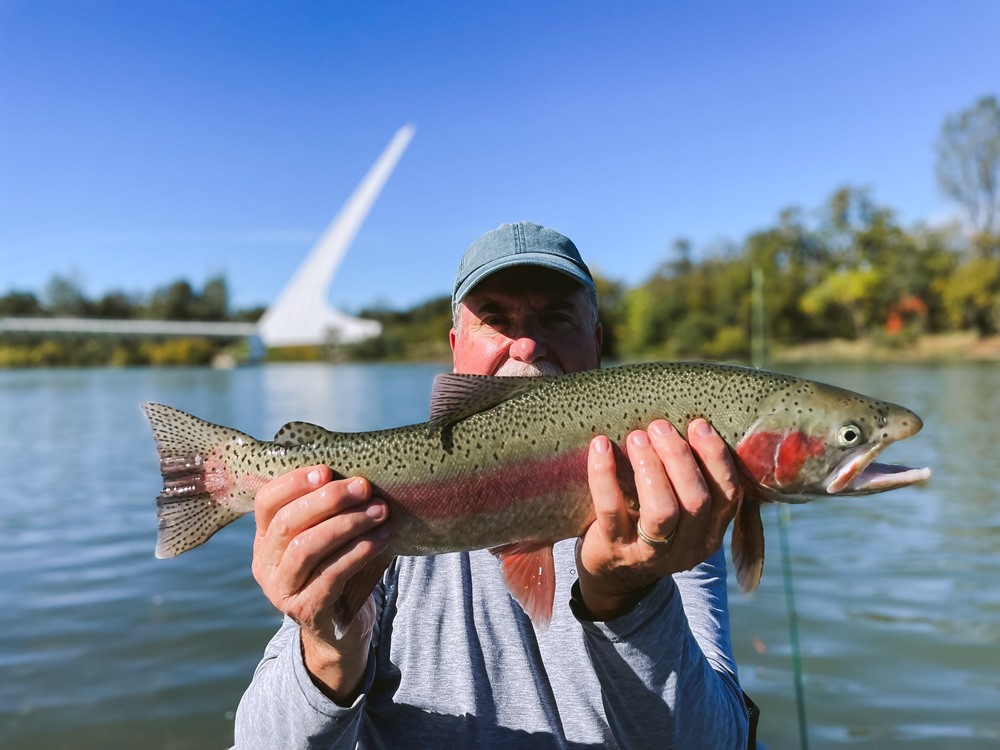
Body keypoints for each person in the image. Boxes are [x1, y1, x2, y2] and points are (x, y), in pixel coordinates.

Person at [234, 221, 752, 748]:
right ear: (457, 349)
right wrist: (327, 648)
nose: (527, 344)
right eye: (497, 320)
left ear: (596, 344)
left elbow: (716, 740)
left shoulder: (664, 497)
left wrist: (628, 597)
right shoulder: (374, 505)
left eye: (556, 317)